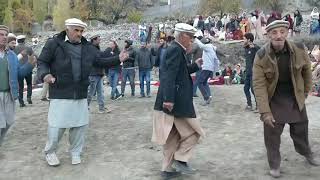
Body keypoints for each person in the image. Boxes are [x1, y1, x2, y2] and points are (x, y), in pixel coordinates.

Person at [37, 18, 128, 166]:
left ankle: (75, 152)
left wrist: (118, 59)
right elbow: (42, 62)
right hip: (60, 91)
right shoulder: (53, 43)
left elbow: (100, 62)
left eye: (81, 31)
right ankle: (50, 152)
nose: (79, 34)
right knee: (57, 126)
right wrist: (45, 75)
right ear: (67, 29)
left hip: (80, 93)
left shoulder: (88, 47)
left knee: (79, 126)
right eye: (76, 30)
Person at [253, 19, 319, 178]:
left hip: (294, 96)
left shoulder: (299, 48)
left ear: (287, 33)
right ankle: (274, 164)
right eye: (274, 33)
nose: (278, 36)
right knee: (271, 135)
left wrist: (304, 93)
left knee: (301, 129)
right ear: (268, 35)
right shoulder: (261, 55)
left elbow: (307, 72)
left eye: (282, 32)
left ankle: (307, 153)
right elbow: (258, 85)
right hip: (274, 98)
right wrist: (265, 111)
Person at [152, 23, 205, 179]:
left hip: (173, 100)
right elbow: (168, 75)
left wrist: (195, 66)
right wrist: (168, 99)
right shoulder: (175, 50)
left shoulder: (176, 50)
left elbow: (179, 72)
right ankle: (181, 159)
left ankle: (166, 169)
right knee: (195, 132)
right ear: (182, 36)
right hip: (176, 101)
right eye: (191, 37)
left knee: (173, 136)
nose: (193, 41)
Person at [0, 25, 36, 146]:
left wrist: (30, 65)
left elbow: (18, 74)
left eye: (6, 35)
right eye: (1, 35)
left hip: (9, 94)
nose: (4, 37)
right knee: (0, 123)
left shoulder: (11, 55)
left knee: (9, 122)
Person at [87, 34, 110, 113]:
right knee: (90, 93)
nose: (100, 41)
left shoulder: (96, 48)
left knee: (100, 92)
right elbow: (97, 60)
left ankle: (102, 108)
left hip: (99, 73)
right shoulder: (91, 49)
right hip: (93, 74)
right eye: (98, 39)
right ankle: (85, 107)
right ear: (94, 40)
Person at [194, 37, 220, 106]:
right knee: (204, 83)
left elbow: (201, 46)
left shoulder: (207, 47)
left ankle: (206, 97)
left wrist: (196, 39)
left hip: (206, 68)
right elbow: (216, 60)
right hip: (210, 69)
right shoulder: (212, 49)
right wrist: (216, 71)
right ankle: (208, 97)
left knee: (199, 83)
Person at [14, 35, 34, 107]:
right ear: (24, 40)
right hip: (27, 68)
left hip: (19, 69)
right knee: (29, 84)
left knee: (20, 86)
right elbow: (33, 56)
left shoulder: (14, 48)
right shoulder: (28, 48)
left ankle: (21, 102)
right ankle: (29, 97)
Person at [243, 32, 260, 111]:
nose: (243, 40)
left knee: (254, 89)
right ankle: (249, 104)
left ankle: (258, 106)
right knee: (246, 88)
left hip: (254, 72)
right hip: (248, 72)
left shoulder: (255, 48)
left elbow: (262, 52)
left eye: (244, 39)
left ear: (249, 39)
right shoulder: (246, 48)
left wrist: (255, 47)